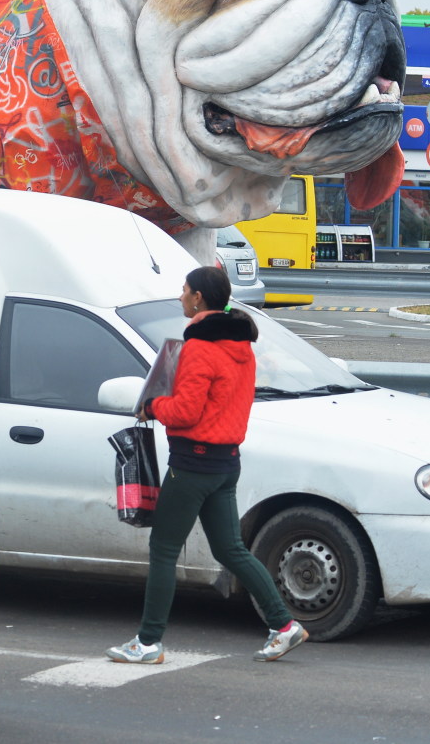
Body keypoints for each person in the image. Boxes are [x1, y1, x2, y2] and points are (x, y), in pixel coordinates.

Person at [107, 265, 308, 665]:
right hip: (225, 461)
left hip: (192, 463)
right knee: (230, 549)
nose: (181, 296)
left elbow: (184, 411)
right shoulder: (241, 347)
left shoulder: (199, 347)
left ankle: (148, 643)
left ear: (198, 298)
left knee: (163, 549)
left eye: (184, 290)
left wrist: (151, 406)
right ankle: (284, 625)